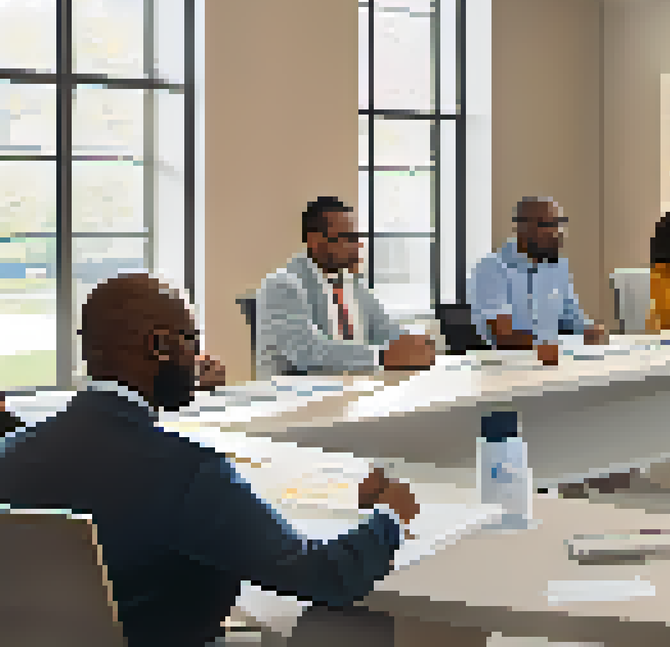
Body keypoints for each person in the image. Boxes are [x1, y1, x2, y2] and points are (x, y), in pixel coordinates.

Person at [0, 274, 419, 647]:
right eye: (192, 340)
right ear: (160, 346)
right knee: (347, 625)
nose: (198, 358)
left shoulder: (10, 453)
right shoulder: (185, 471)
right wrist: (389, 517)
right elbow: (327, 576)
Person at [256, 196, 436, 378]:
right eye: (348, 238)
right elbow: (307, 352)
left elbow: (384, 329)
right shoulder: (281, 286)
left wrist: (417, 344)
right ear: (315, 241)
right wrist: (382, 356)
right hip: (293, 400)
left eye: (358, 237)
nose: (357, 245)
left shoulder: (351, 283)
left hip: (349, 393)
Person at [468, 196, 607, 363]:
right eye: (549, 225)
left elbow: (571, 319)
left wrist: (589, 330)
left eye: (560, 224)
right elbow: (503, 337)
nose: (558, 233)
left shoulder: (557, 266)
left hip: (555, 363)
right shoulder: (493, 268)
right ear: (522, 228)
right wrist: (546, 346)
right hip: (506, 368)